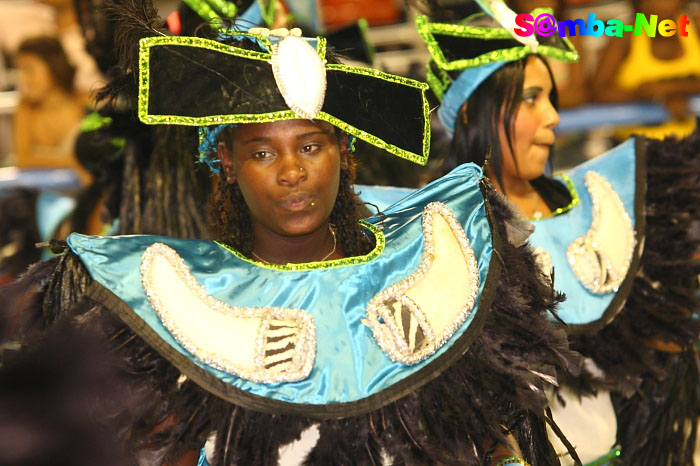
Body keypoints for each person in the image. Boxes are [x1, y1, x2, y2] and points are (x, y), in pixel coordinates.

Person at [1, 2, 582, 465]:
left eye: (310, 145)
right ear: (226, 162)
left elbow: (492, 437)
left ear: (345, 152)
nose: (292, 171)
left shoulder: (430, 261)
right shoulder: (171, 298)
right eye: (262, 152)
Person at [417, 3, 700, 464]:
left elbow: (643, 355)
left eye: (551, 98)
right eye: (531, 98)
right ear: (471, 110)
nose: (553, 116)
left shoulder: (591, 204)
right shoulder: (437, 231)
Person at [12, 36, 89, 184]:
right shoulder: (25, 108)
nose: (23, 79)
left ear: (53, 66)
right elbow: (23, 159)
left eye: (29, 69)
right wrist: (73, 162)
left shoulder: (85, 100)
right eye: (20, 70)